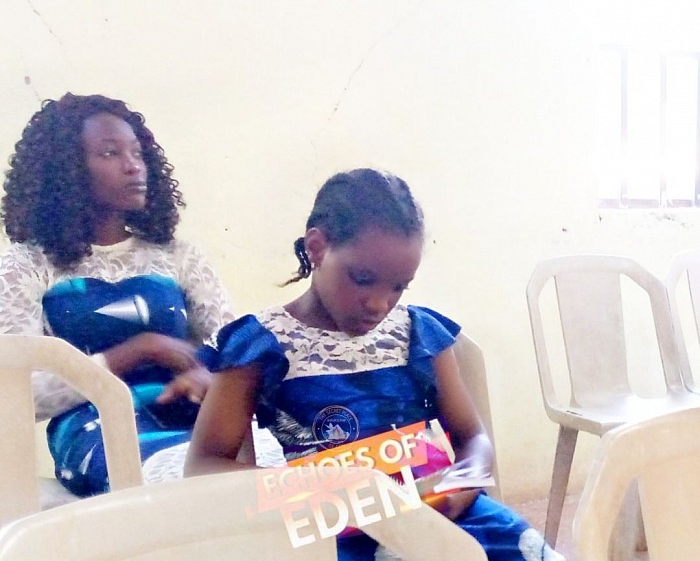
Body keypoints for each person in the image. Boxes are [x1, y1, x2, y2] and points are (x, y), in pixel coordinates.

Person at [185, 168, 563, 561]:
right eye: (363, 279)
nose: (380, 304)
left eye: (399, 286)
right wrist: (320, 489)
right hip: (335, 534)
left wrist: (454, 489)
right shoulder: (261, 345)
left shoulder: (419, 334)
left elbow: (474, 439)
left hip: (444, 517)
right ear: (317, 248)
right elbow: (203, 467)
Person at [0, 93, 235, 497]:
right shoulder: (25, 266)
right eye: (110, 153)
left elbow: (235, 352)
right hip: (95, 430)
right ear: (66, 170)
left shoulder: (179, 256)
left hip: (194, 415)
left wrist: (207, 375)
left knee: (265, 477)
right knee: (177, 488)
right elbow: (18, 397)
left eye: (137, 153)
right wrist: (137, 351)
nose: (133, 166)